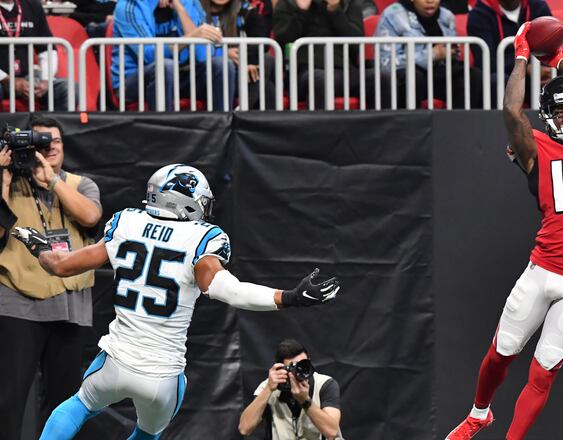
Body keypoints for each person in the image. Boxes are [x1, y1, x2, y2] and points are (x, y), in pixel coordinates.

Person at [13, 163, 340, 439]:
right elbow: (231, 290)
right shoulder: (200, 238)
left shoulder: (127, 223)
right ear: (186, 203)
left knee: (78, 404)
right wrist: (290, 298)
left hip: (116, 362)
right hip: (163, 378)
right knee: (148, 431)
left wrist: (41, 248)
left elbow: (61, 265)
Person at [446, 21, 563, 439]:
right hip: (541, 270)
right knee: (500, 353)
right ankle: (479, 412)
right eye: (558, 111)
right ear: (546, 116)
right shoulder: (536, 149)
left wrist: (559, 59)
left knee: (542, 372)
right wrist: (522, 56)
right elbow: (512, 111)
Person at [0, 116, 102, 440]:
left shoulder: (79, 184)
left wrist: (52, 181)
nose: (49, 148)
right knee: (8, 400)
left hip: (69, 305)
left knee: (64, 403)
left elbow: (91, 216)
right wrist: (2, 177)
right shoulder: (10, 185)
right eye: (41, 142)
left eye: (54, 142)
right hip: (17, 301)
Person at [112, 0, 237, 110]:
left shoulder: (190, 3)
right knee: (165, 66)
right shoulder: (128, 6)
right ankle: (165, 133)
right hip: (133, 82)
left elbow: (203, 56)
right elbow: (149, 56)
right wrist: (190, 38)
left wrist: (180, 8)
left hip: (177, 77)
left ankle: (221, 130)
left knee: (222, 65)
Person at [273, 0, 390, 109]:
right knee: (319, 78)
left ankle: (383, 129)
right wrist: (302, 11)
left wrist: (335, 10)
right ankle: (318, 130)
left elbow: (357, 44)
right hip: (304, 74)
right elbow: (284, 41)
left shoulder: (349, 3)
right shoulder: (288, 3)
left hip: (344, 72)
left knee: (381, 77)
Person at [375, 0, 483, 108]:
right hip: (406, 78)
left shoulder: (447, 16)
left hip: (437, 75)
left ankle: (461, 122)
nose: (430, 1)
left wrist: (452, 51)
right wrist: (432, 54)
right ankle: (410, 123)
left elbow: (449, 57)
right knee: (413, 77)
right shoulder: (392, 16)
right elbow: (386, 62)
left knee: (473, 76)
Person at [238, 339, 342, 439]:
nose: (300, 371)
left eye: (303, 364)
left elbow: (331, 432)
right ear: (282, 369)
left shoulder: (325, 384)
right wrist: (268, 389)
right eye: (293, 368)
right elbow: (244, 428)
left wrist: (305, 401)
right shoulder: (269, 386)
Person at [202, 0, 280, 109]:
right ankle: (239, 115)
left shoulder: (246, 10)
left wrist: (246, 63)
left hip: (241, 71)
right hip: (208, 75)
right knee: (267, 87)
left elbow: (262, 43)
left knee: (267, 61)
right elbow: (195, 49)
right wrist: (224, 54)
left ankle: (240, 112)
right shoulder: (196, 11)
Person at [466, 0, 552, 93]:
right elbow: (486, 63)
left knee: (560, 72)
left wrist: (543, 70)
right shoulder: (479, 14)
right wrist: (526, 68)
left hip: (536, 72)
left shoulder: (539, 7)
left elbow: (550, 46)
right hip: (504, 76)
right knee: (497, 79)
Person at [0, 0, 72, 111]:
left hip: (28, 77)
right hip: (1, 80)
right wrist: (9, 80)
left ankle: (50, 126)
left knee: (68, 89)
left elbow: (47, 48)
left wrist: (46, 80)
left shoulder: (32, 5)